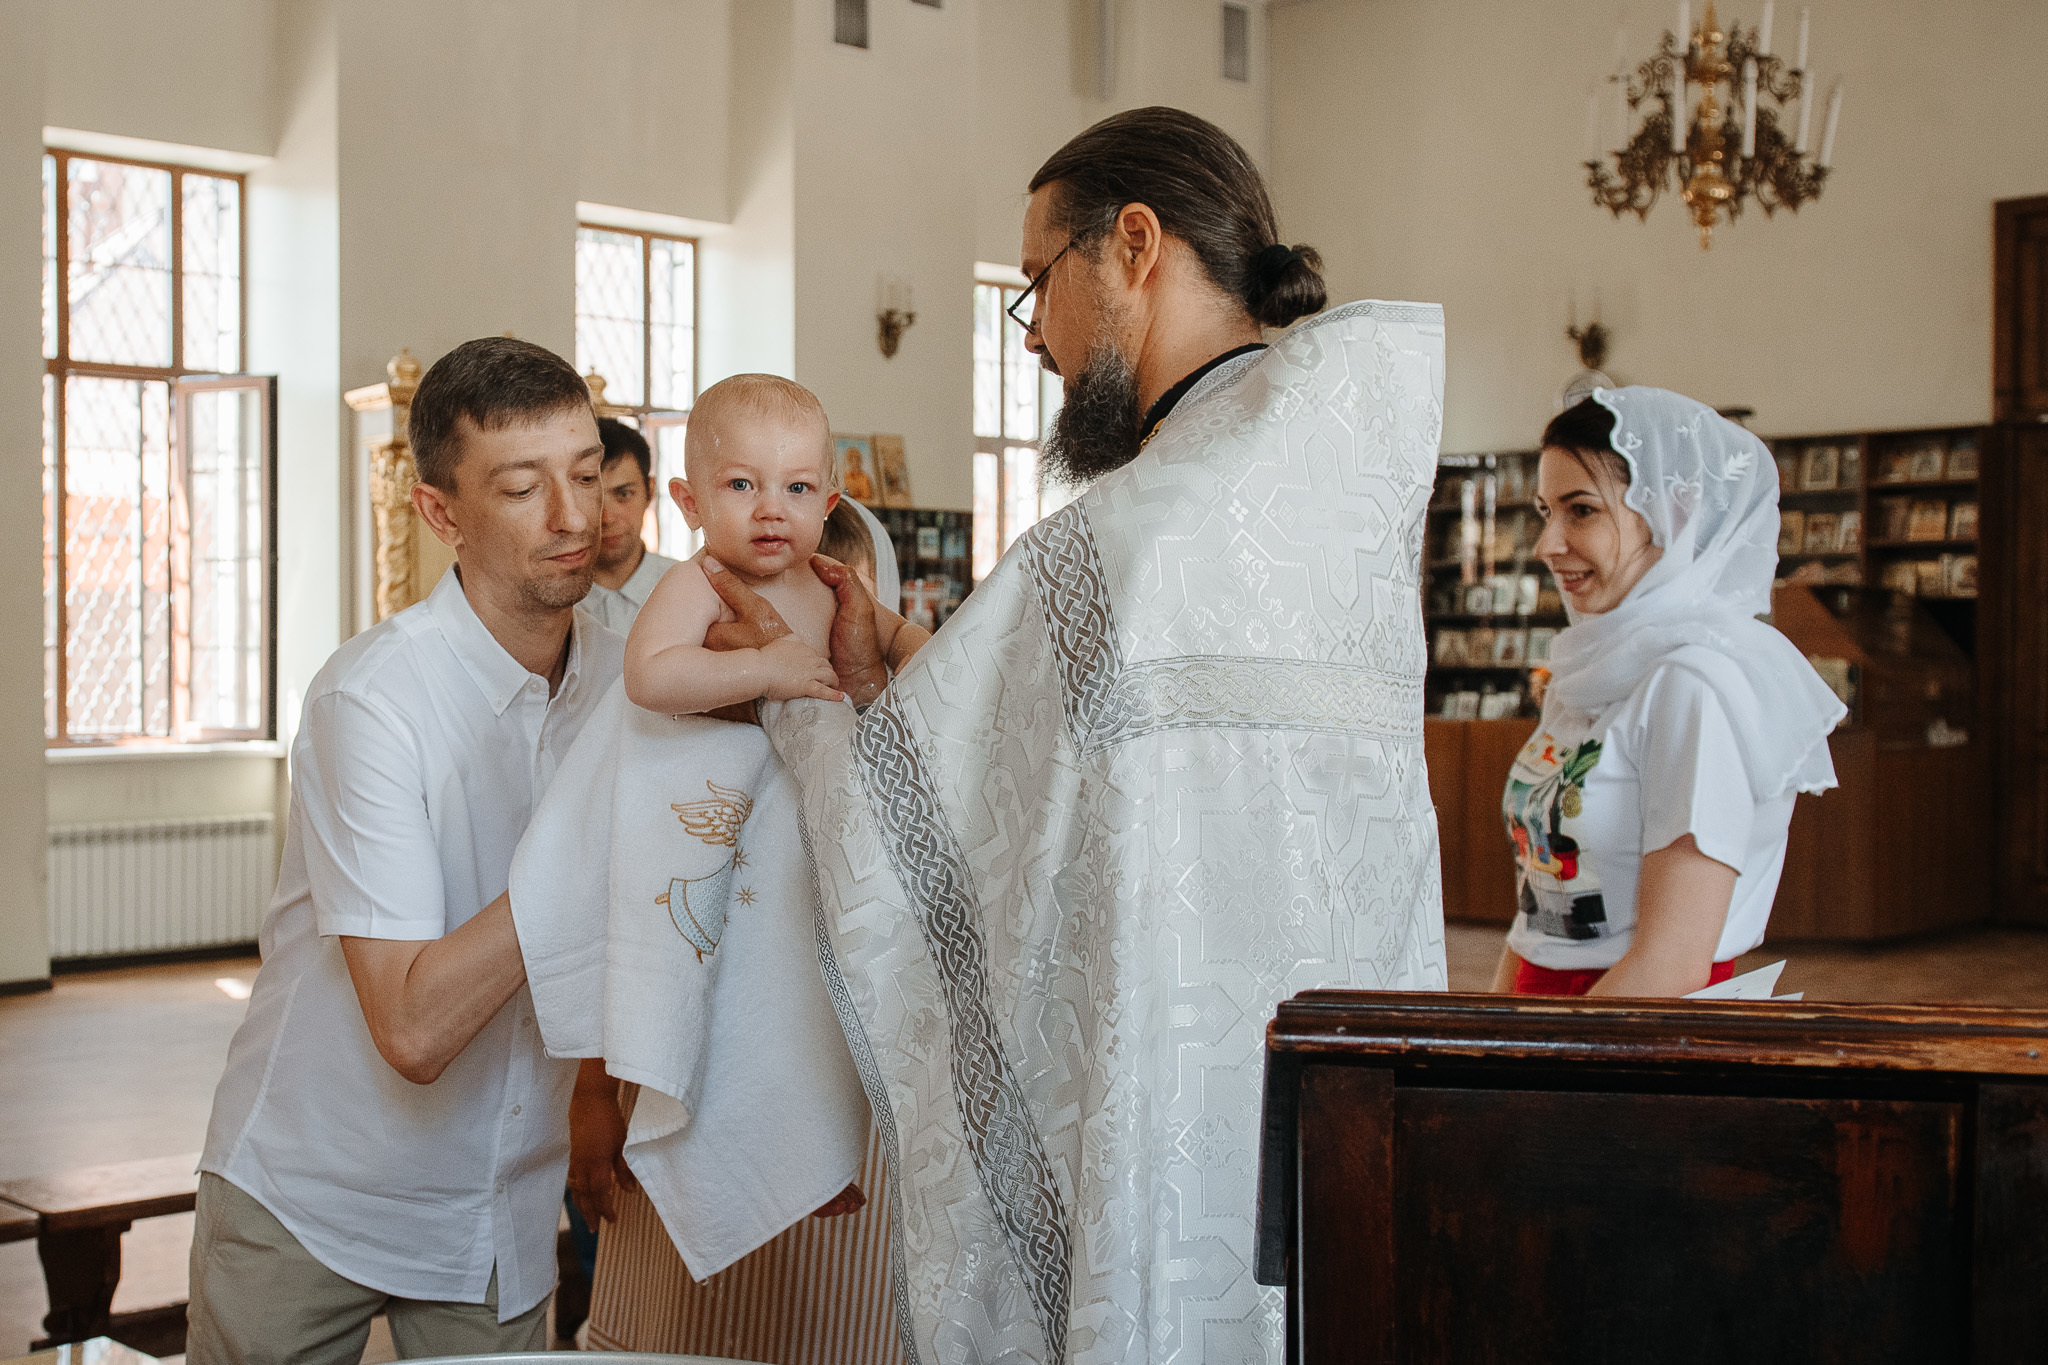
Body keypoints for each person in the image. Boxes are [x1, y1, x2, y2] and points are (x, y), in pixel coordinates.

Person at [711, 106, 1448, 1365]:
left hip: (1163, 1085)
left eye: (1035, 283)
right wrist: (894, 651)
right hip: (1336, 1091)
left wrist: (796, 700)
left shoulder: (1133, 530)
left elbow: (942, 809)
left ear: (1135, 245)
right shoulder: (1318, 490)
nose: (1033, 334)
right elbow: (1091, 741)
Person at [188, 337, 619, 1361]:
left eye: (589, 475)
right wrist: (597, 833)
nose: (574, 518)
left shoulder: (630, 672)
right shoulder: (372, 699)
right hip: (313, 1189)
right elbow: (415, 1030)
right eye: (523, 488)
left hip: (498, 1198)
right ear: (439, 513)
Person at [1489, 389, 1846, 997]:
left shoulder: (1693, 685)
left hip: (1623, 1028)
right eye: (1547, 511)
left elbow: (1672, 962)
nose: (1547, 545)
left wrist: (1545, 1052)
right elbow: (1534, 922)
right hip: (1546, 1020)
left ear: (1672, 514)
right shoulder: (1588, 672)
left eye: (1582, 511)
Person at [622, 374, 926, 717]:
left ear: (826, 506)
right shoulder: (697, 584)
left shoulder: (828, 580)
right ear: (691, 505)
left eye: (797, 488)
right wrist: (763, 670)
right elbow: (647, 676)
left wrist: (919, 656)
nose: (771, 510)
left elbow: (898, 633)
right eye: (741, 484)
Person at [583, 417, 682, 634]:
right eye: (592, 498)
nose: (607, 518)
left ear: (650, 491)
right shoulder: (549, 600)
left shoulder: (688, 589)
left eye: (624, 494)